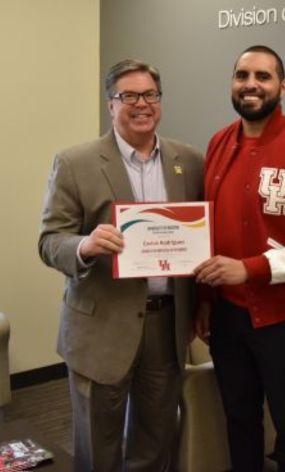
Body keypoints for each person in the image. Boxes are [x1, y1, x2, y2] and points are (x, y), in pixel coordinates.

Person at [39, 59, 203, 472]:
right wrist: (85, 245)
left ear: (160, 102)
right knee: (98, 444)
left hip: (165, 327)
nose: (141, 104)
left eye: (149, 95)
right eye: (128, 96)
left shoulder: (190, 160)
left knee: (156, 438)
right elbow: (49, 241)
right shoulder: (74, 162)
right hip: (100, 328)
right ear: (110, 105)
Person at [194, 45, 285, 472]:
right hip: (227, 316)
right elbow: (209, 229)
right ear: (232, 83)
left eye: (263, 76)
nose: (251, 85)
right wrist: (206, 297)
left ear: (284, 85)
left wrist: (251, 268)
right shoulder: (218, 144)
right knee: (239, 419)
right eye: (242, 75)